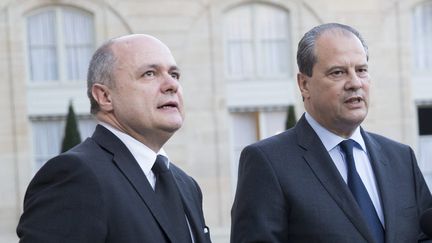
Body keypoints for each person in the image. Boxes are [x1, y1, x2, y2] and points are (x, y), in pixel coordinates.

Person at [231, 23, 432, 243]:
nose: (355, 83)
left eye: (362, 70)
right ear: (304, 84)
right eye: (338, 72)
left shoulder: (401, 158)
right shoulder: (268, 163)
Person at [17, 34, 211, 243]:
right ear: (105, 96)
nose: (171, 85)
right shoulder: (75, 175)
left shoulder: (186, 184)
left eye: (174, 74)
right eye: (149, 73)